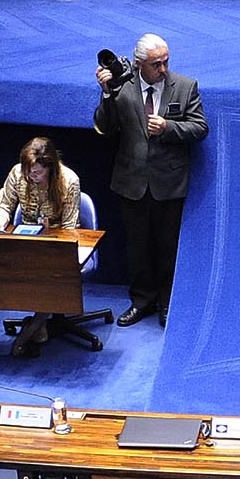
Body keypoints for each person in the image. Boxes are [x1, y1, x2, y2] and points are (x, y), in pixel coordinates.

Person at [93, 33, 206, 325]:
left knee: (167, 248)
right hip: (132, 183)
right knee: (137, 248)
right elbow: (105, 128)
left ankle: (167, 302)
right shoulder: (122, 87)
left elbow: (199, 128)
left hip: (169, 184)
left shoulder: (185, 86)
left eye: (166, 62)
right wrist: (106, 93)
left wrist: (168, 127)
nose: (163, 69)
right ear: (139, 63)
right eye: (156, 64)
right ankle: (141, 301)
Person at [0, 135, 82, 356]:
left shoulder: (69, 181)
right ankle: (39, 324)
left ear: (50, 167)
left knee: (50, 274)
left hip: (57, 241)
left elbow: (70, 227)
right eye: (29, 171)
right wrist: (0, 223)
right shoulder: (17, 173)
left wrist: (52, 244)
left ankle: (29, 333)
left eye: (37, 172)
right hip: (27, 239)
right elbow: (4, 206)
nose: (32, 176)